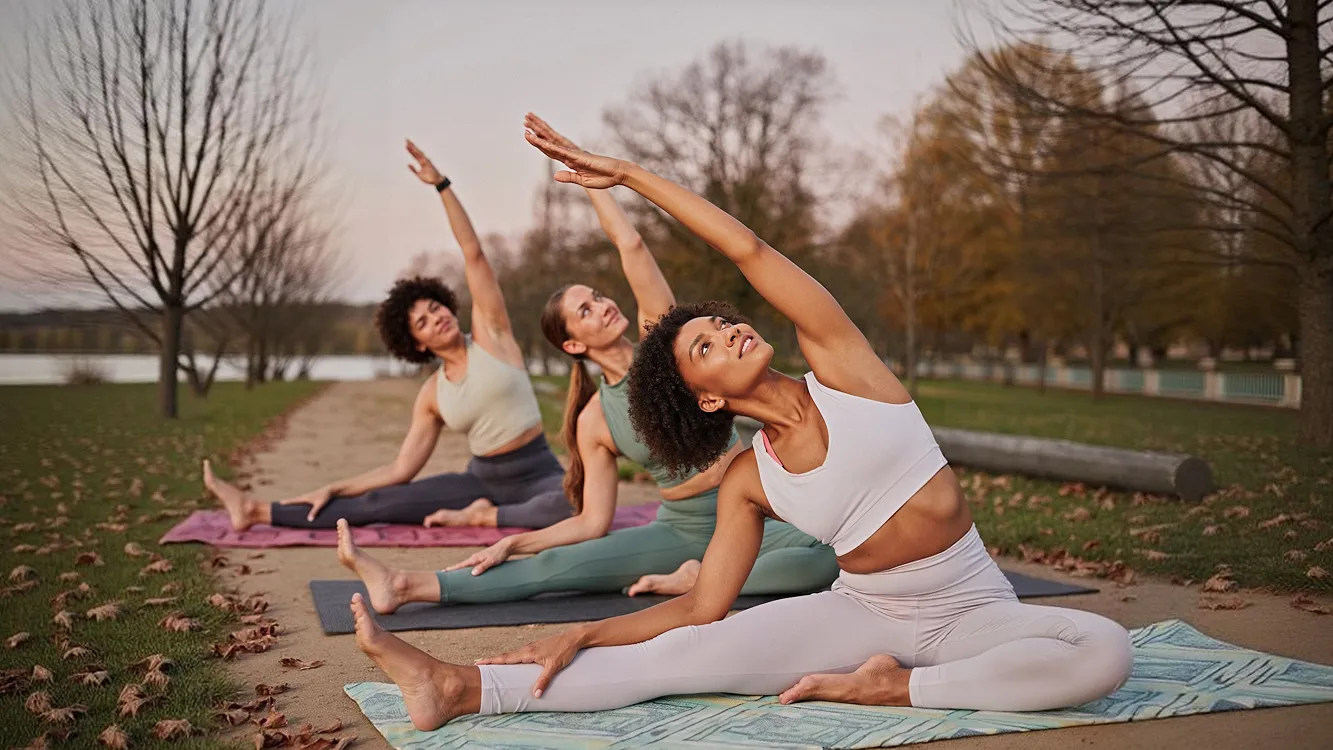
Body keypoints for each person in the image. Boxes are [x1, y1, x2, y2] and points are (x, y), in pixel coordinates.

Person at [341, 121, 1133, 731]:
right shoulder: (751, 477)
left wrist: (628, 176)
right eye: (706, 346)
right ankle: (458, 688)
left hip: (969, 606)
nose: (730, 331)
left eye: (722, 322)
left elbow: (748, 250)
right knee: (687, 655)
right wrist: (585, 631)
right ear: (706, 398)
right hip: (861, 611)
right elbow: (697, 608)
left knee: (1104, 652)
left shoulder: (849, 373)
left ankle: (899, 688)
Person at [335, 114, 837, 615]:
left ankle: (700, 579)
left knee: (824, 560)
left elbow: (631, 246)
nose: (602, 306)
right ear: (573, 345)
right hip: (679, 528)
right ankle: (405, 585)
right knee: (558, 568)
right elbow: (593, 522)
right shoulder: (595, 418)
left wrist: (589, 175)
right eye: (585, 310)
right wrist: (522, 542)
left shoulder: (666, 353)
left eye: (597, 296)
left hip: (758, 509)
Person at [202, 140, 570, 532]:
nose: (436, 319)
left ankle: (482, 516)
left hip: (538, 472)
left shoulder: (492, 336)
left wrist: (442, 185)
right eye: (423, 322)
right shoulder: (432, 394)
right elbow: (401, 468)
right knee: (379, 502)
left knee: (572, 504)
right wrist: (335, 487)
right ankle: (255, 511)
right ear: (416, 344)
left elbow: (473, 253)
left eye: (435, 308)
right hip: (479, 480)